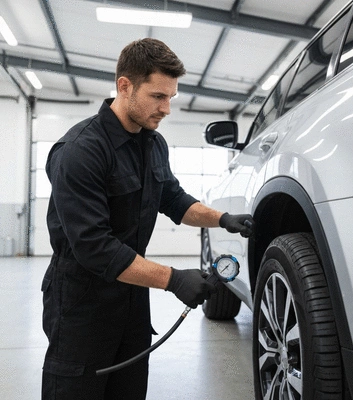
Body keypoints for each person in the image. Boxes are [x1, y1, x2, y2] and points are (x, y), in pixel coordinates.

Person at [41, 38, 254, 400]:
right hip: (81, 302)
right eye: (158, 96)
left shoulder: (153, 143)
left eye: (171, 97)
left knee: (129, 390)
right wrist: (174, 279)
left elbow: (173, 199)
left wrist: (225, 219)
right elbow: (95, 248)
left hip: (132, 296)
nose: (167, 108)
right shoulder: (80, 151)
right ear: (125, 86)